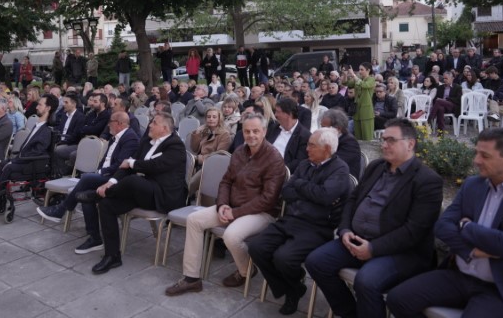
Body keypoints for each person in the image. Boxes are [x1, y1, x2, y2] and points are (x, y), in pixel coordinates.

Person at [387, 128, 503, 318]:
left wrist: (466, 226)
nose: (476, 160)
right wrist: (471, 251)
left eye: (485, 156)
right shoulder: (473, 185)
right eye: (476, 153)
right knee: (398, 299)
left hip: (501, 288)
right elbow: (442, 226)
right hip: (459, 275)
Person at [305, 118, 443, 318]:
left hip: (401, 253)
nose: (384, 145)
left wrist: (373, 249)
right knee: (316, 262)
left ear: (410, 144)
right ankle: (350, 314)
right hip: (358, 239)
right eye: (383, 139)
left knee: (366, 281)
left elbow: (414, 231)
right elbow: (352, 200)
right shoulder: (377, 167)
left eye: (391, 140)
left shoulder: (427, 180)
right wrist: (344, 230)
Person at [164, 112, 286, 296]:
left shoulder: (274, 158)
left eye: (255, 131)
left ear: (264, 131)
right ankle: (191, 278)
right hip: (232, 207)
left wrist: (235, 213)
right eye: (247, 131)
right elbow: (226, 182)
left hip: (262, 213)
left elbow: (267, 199)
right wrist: (222, 205)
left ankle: (246, 270)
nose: (251, 135)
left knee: (231, 236)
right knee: (194, 220)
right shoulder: (240, 152)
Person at [247, 127, 351, 315]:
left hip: (317, 227)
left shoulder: (340, 169)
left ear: (327, 149)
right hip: (291, 218)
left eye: (312, 145)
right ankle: (293, 287)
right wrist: (312, 192)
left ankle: (291, 289)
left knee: (284, 258)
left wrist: (300, 185)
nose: (307, 149)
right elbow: (286, 192)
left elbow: (325, 196)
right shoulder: (305, 164)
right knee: (256, 247)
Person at [88, 112, 187, 274]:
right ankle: (112, 256)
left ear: (164, 128)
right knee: (106, 205)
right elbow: (125, 165)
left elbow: (156, 165)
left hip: (163, 195)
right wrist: (110, 182)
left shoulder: (176, 145)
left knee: (134, 181)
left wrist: (132, 163)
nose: (150, 125)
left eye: (154, 123)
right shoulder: (146, 141)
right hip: (143, 191)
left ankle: (96, 195)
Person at [35, 112, 139, 250]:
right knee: (84, 195)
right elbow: (105, 160)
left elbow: (120, 165)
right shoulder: (115, 137)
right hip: (106, 175)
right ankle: (95, 238)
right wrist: (99, 171)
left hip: (117, 180)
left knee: (87, 178)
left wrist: (99, 172)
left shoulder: (130, 138)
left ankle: (61, 210)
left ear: (120, 123)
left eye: (111, 121)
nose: (108, 124)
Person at [0, 94, 59, 207]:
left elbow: (37, 152)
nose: (36, 107)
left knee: (8, 167)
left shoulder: (46, 130)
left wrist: (17, 160)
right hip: (24, 159)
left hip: (31, 163)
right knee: (3, 164)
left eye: (40, 105)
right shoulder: (38, 126)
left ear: (48, 108)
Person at [187, 107, 232, 196]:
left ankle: (184, 196)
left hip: (210, 166)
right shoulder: (205, 131)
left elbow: (218, 157)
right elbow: (194, 149)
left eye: (214, 117)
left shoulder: (224, 135)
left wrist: (199, 158)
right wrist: (197, 132)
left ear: (219, 119)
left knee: (189, 185)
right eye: (209, 117)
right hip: (198, 163)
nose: (211, 119)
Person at [346, 63, 376, 141]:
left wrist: (354, 75)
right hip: (357, 111)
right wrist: (347, 75)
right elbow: (347, 83)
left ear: (368, 70)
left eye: (362, 69)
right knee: (358, 138)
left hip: (366, 112)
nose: (359, 71)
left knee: (367, 137)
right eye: (359, 69)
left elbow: (365, 85)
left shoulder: (371, 79)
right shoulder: (358, 78)